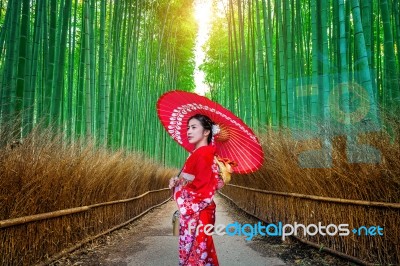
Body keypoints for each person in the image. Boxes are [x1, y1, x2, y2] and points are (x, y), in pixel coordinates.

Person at [169, 114, 224, 266]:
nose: (189, 131)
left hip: (198, 213)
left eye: (194, 127)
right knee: (202, 252)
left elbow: (201, 188)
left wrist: (179, 188)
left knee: (197, 255)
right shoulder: (203, 153)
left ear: (206, 132)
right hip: (200, 211)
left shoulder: (203, 153)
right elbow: (206, 182)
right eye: (188, 128)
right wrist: (178, 182)